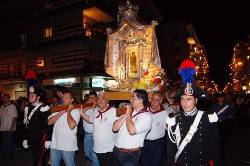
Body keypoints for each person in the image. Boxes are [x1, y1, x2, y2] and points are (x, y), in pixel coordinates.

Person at [166, 60, 221, 166]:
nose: (184, 103)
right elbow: (170, 151)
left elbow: (215, 147)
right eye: (182, 99)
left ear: (196, 101)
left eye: (189, 99)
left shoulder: (207, 118)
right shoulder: (174, 120)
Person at [113, 89, 152, 166]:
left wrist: (127, 114)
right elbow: (114, 128)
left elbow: (132, 130)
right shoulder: (130, 112)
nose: (131, 100)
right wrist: (126, 114)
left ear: (140, 100)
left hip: (130, 155)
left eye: (133, 97)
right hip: (117, 151)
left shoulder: (146, 116)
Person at [80, 91, 117, 166]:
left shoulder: (114, 111)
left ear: (107, 100)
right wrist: (81, 113)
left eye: (102, 98)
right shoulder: (96, 111)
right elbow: (90, 119)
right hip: (97, 148)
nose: (100, 100)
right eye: (98, 99)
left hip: (109, 150)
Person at [48, 89, 80, 166]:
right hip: (55, 144)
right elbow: (49, 122)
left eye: (66, 97)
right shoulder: (57, 108)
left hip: (68, 145)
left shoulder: (75, 111)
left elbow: (72, 126)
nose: (64, 98)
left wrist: (68, 112)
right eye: (63, 97)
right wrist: (60, 113)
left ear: (72, 100)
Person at [22, 86, 52, 166]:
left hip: (42, 139)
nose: (30, 97)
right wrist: (25, 138)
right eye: (29, 95)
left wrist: (48, 139)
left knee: (39, 160)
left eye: (33, 95)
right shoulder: (27, 108)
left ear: (38, 97)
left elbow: (48, 125)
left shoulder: (44, 108)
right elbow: (26, 125)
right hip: (32, 138)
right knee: (37, 158)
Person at [141, 91, 168, 166]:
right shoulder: (144, 111)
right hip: (144, 143)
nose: (154, 102)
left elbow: (168, 128)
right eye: (153, 99)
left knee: (155, 163)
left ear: (161, 101)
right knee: (144, 163)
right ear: (150, 100)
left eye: (157, 100)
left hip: (158, 144)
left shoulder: (164, 113)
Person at [82, 91, 100, 166]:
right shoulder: (86, 107)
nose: (91, 100)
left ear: (96, 98)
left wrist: (94, 106)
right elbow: (81, 113)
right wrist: (89, 106)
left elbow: (92, 120)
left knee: (94, 156)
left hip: (95, 135)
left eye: (93, 98)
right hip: (86, 135)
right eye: (89, 98)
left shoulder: (99, 108)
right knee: (87, 153)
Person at [0, 94, 18, 159]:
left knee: (9, 142)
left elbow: (14, 118)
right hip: (3, 128)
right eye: (3, 98)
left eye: (5, 98)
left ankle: (11, 154)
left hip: (10, 128)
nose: (4, 99)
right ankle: (6, 154)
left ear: (8, 99)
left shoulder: (12, 106)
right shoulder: (2, 107)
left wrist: (11, 128)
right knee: (4, 142)